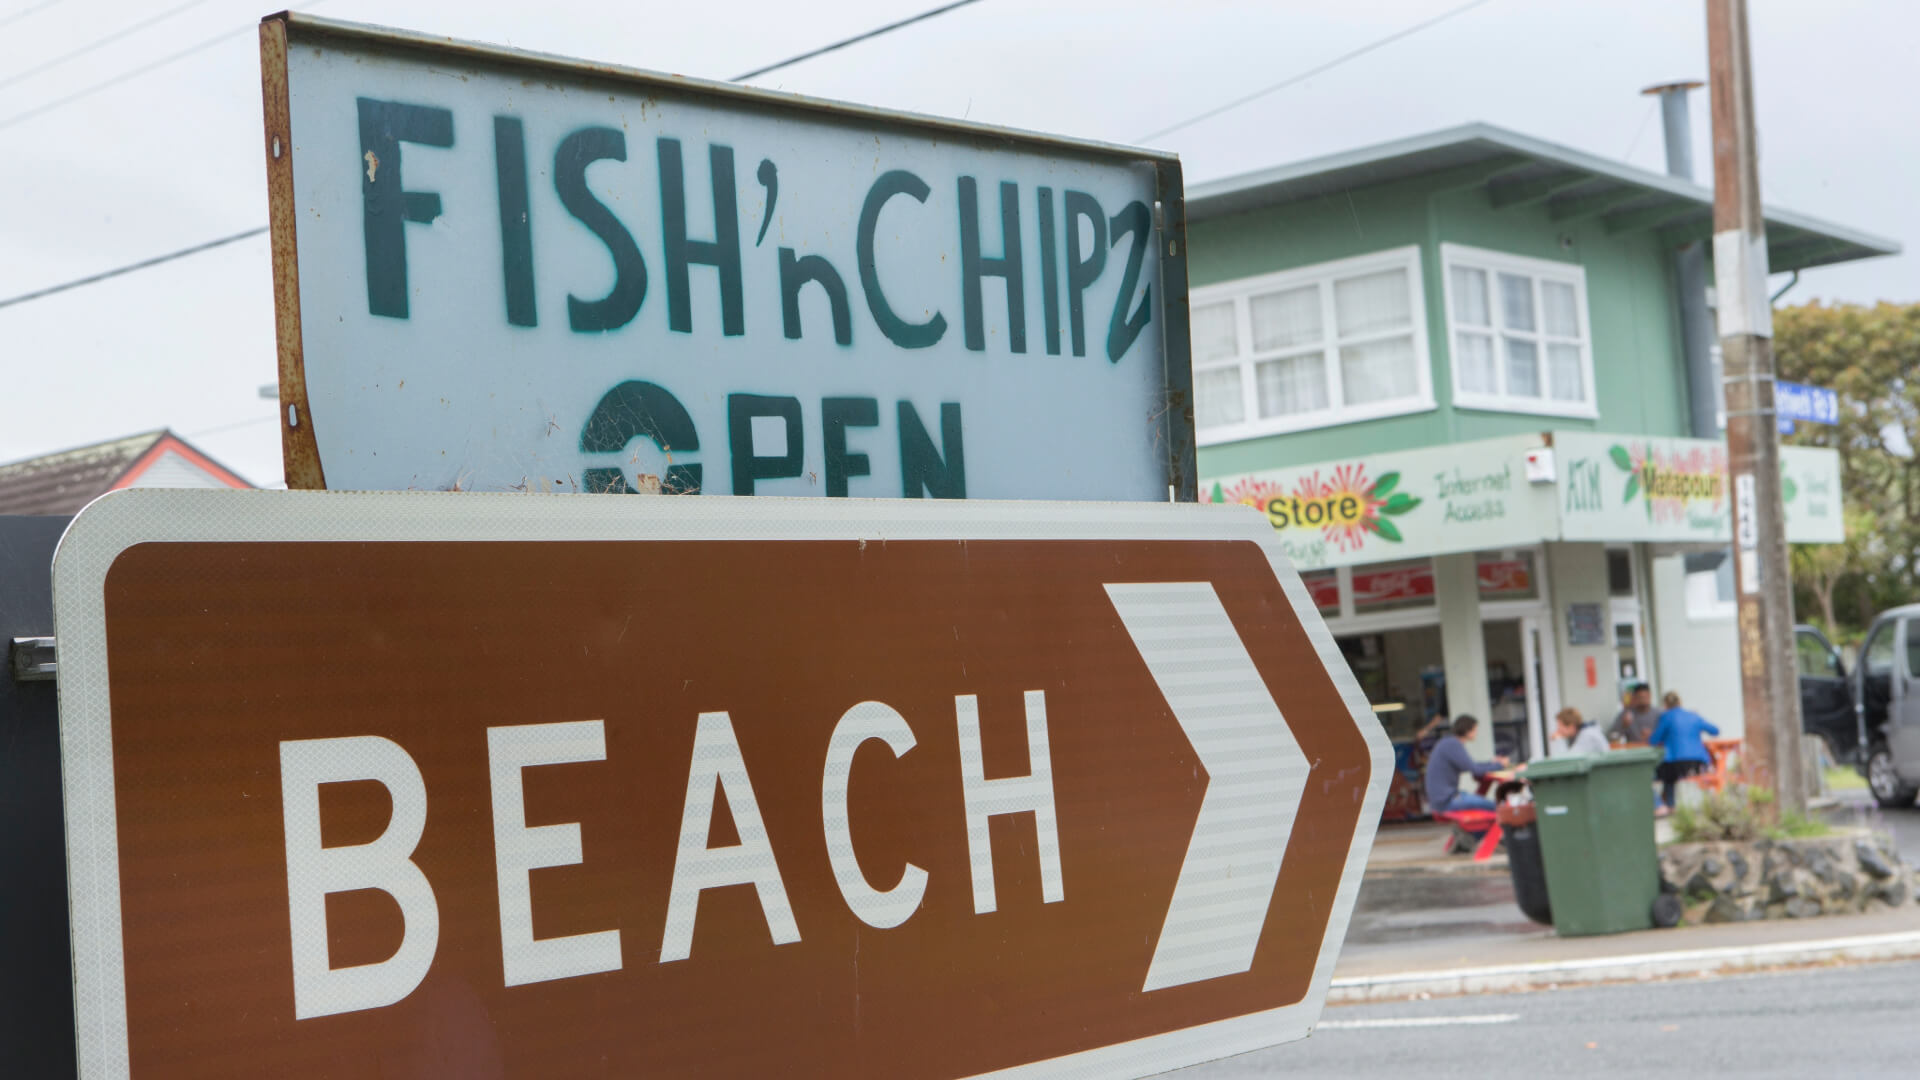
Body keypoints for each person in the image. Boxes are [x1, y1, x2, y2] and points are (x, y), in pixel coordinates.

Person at [1648, 690, 1720, 814]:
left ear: (1665, 705)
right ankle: (1670, 805)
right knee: (1669, 777)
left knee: (1649, 777)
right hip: (1699, 764)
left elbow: (1653, 740)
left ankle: (1660, 805)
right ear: (1680, 702)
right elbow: (1715, 731)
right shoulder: (1693, 716)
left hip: (1674, 764)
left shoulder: (1666, 717)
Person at [1423, 715, 1509, 814]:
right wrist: (1501, 765)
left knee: (1486, 805)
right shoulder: (1453, 744)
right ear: (1468, 731)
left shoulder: (1448, 743)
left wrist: (1492, 763)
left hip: (1444, 799)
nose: (1476, 733)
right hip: (1447, 800)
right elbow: (1475, 769)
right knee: (1497, 807)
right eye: (1475, 730)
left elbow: (1470, 766)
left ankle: (1481, 829)